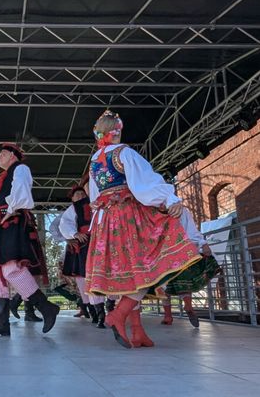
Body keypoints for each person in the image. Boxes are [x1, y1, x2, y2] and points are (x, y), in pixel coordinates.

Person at [86, 110, 202, 348]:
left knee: (130, 275)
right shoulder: (124, 153)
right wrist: (169, 199)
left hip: (107, 221)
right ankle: (118, 315)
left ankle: (138, 331)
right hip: (129, 216)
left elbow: (95, 197)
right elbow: (144, 186)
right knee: (150, 266)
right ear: (117, 130)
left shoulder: (95, 161)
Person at [0, 143, 59, 337]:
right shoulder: (7, 174)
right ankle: (1, 323)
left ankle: (46, 307)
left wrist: (9, 210)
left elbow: (22, 193)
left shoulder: (21, 168)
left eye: (1, 154)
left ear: (12, 155)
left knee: (10, 268)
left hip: (11, 220)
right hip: (1, 221)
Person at [161, 207, 221, 328]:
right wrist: (202, 244)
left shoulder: (151, 210)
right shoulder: (180, 209)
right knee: (184, 280)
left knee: (163, 283)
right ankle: (188, 305)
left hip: (162, 252)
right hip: (183, 250)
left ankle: (168, 316)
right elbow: (191, 230)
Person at [59, 183, 106, 329]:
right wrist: (74, 234)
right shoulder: (73, 209)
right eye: (77, 195)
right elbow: (64, 224)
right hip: (84, 246)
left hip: (102, 242)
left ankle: (109, 306)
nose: (80, 197)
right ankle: (97, 311)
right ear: (72, 199)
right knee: (87, 276)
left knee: (106, 273)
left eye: (82, 194)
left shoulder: (97, 203)